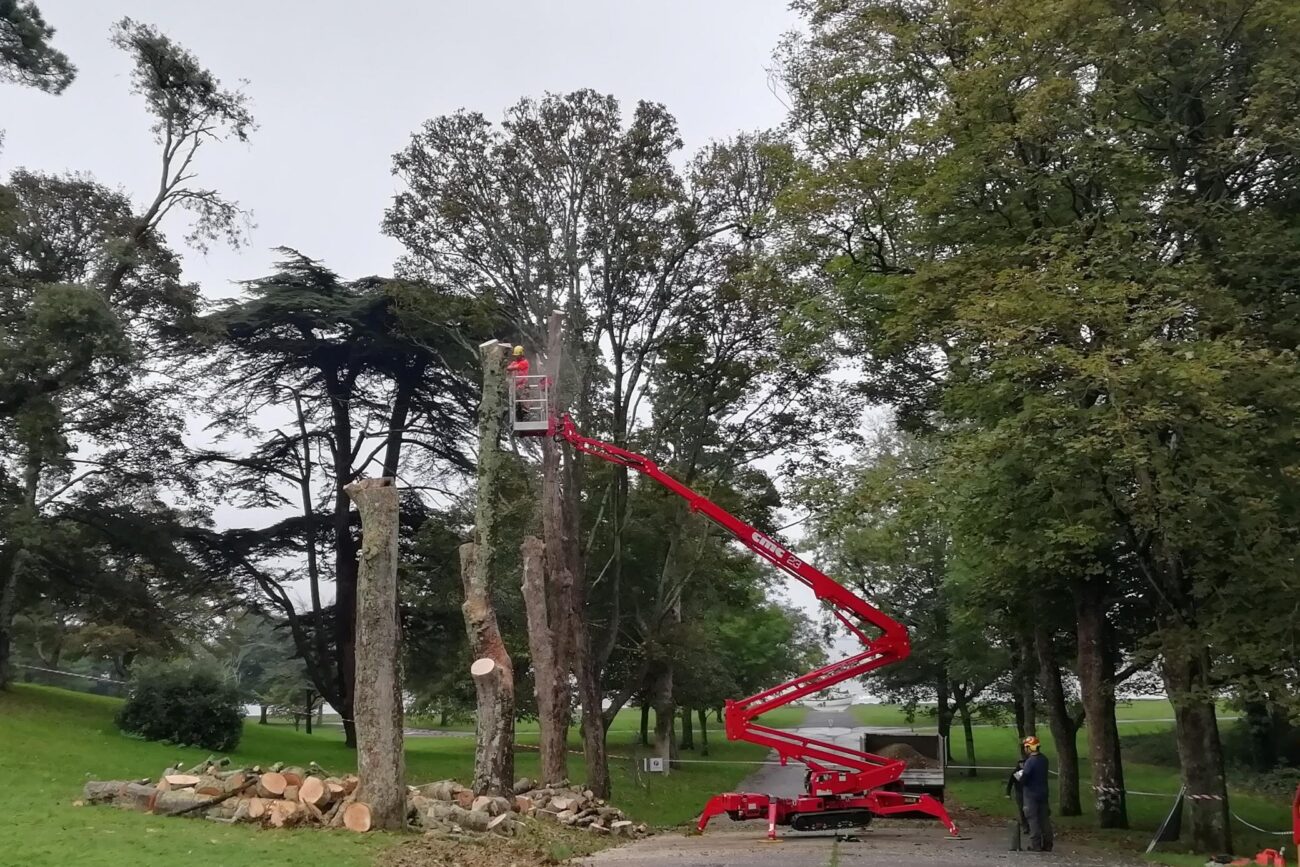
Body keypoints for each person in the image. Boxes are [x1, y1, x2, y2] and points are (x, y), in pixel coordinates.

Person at [1018, 735, 1053, 852]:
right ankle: (1048, 844)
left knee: (1033, 819)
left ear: (1029, 747)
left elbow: (1024, 779)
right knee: (1044, 819)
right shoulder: (1044, 759)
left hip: (1031, 794)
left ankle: (1035, 845)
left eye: (1026, 747)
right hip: (1043, 792)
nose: (1025, 749)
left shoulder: (1030, 762)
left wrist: (1019, 775)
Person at [1006, 755, 1029, 836]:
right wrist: (1008, 793)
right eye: (1021, 763)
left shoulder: (1028, 772)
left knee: (1029, 809)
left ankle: (1029, 825)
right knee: (1022, 809)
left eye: (1023, 763)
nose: (1022, 764)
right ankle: (1025, 826)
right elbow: (1010, 783)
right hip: (1019, 793)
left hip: (1028, 793)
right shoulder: (1015, 773)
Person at [505, 345, 530, 420]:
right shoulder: (514, 362)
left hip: (523, 385)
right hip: (516, 386)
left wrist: (508, 368)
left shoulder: (524, 362)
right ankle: (518, 417)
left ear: (522, 354)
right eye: (516, 355)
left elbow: (512, 368)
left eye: (518, 355)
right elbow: (509, 367)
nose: (516, 357)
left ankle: (526, 417)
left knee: (524, 404)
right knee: (516, 405)